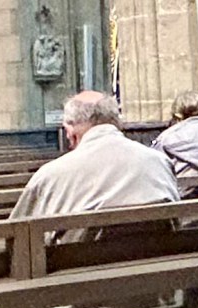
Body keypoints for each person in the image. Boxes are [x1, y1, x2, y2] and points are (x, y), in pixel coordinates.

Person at [9, 91, 181, 221]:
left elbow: (18, 230)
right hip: (155, 263)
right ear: (117, 122)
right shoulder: (158, 161)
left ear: (70, 131)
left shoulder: (50, 176)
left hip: (78, 266)